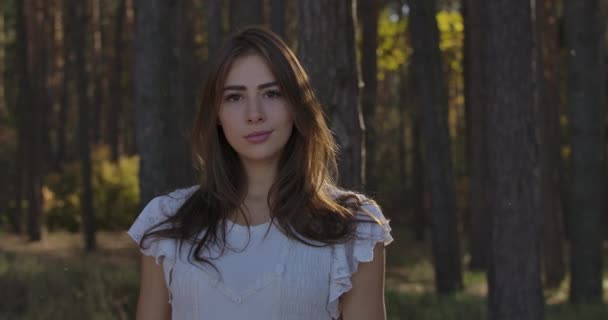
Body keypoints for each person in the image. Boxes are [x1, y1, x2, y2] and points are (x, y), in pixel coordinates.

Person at [127, 26, 393, 320]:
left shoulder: (354, 228)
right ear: (216, 114)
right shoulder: (169, 221)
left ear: (296, 104)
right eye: (235, 97)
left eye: (271, 93)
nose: (254, 114)